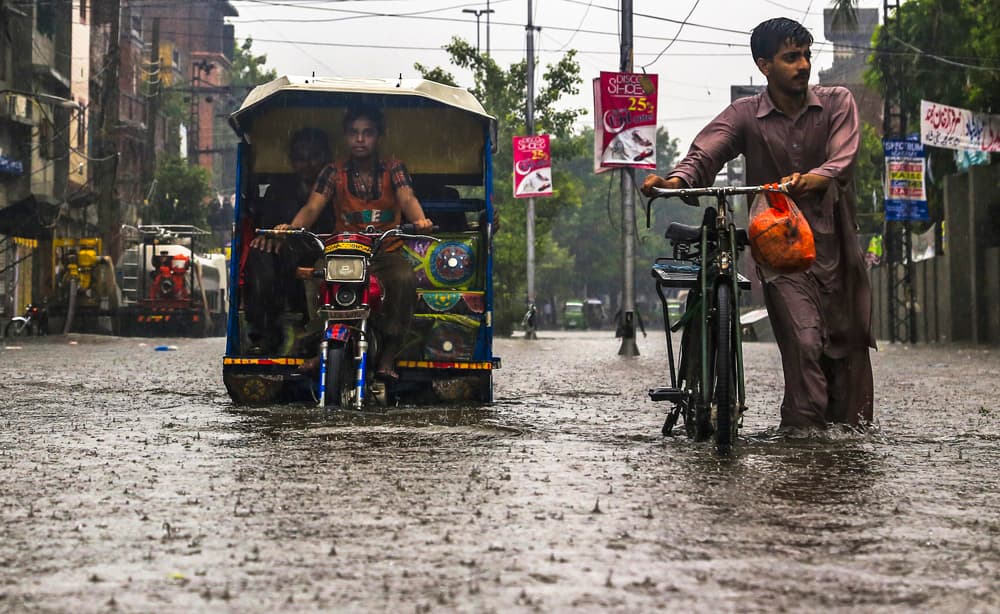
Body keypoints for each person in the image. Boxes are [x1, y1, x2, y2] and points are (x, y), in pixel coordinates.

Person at [641, 17, 874, 431]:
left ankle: (847, 445)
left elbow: (844, 156)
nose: (803, 65)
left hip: (836, 251)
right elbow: (707, 152)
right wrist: (676, 181)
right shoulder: (745, 114)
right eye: (791, 57)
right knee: (804, 341)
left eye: (806, 56)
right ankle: (802, 438)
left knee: (848, 354)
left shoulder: (837, 102)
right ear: (764, 65)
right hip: (781, 255)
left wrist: (815, 178)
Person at [278, 104, 433, 380]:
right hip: (344, 253)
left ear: (379, 136)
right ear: (346, 136)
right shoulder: (333, 172)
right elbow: (312, 207)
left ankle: (388, 353)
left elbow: (408, 198)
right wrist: (291, 229)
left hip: (385, 253)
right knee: (317, 274)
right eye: (354, 133)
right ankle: (322, 343)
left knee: (404, 278)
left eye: (367, 133)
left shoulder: (394, 168)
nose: (360, 139)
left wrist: (420, 220)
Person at [242, 127, 334, 355]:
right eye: (301, 158)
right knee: (260, 255)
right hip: (287, 254)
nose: (308, 164)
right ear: (292, 161)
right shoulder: (280, 190)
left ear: (325, 157)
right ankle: (264, 333)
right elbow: (268, 226)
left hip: (326, 249)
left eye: (314, 157)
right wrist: (272, 237)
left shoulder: (336, 185)